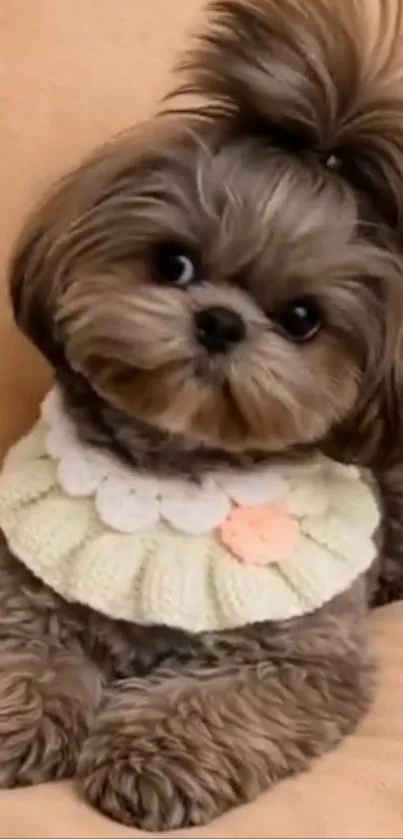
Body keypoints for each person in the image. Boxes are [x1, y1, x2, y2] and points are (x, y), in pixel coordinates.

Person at [1, 1, 403, 836]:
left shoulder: (309, 562)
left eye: (296, 320)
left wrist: (193, 735)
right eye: (175, 265)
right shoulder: (40, 502)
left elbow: (306, 668)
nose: (218, 322)